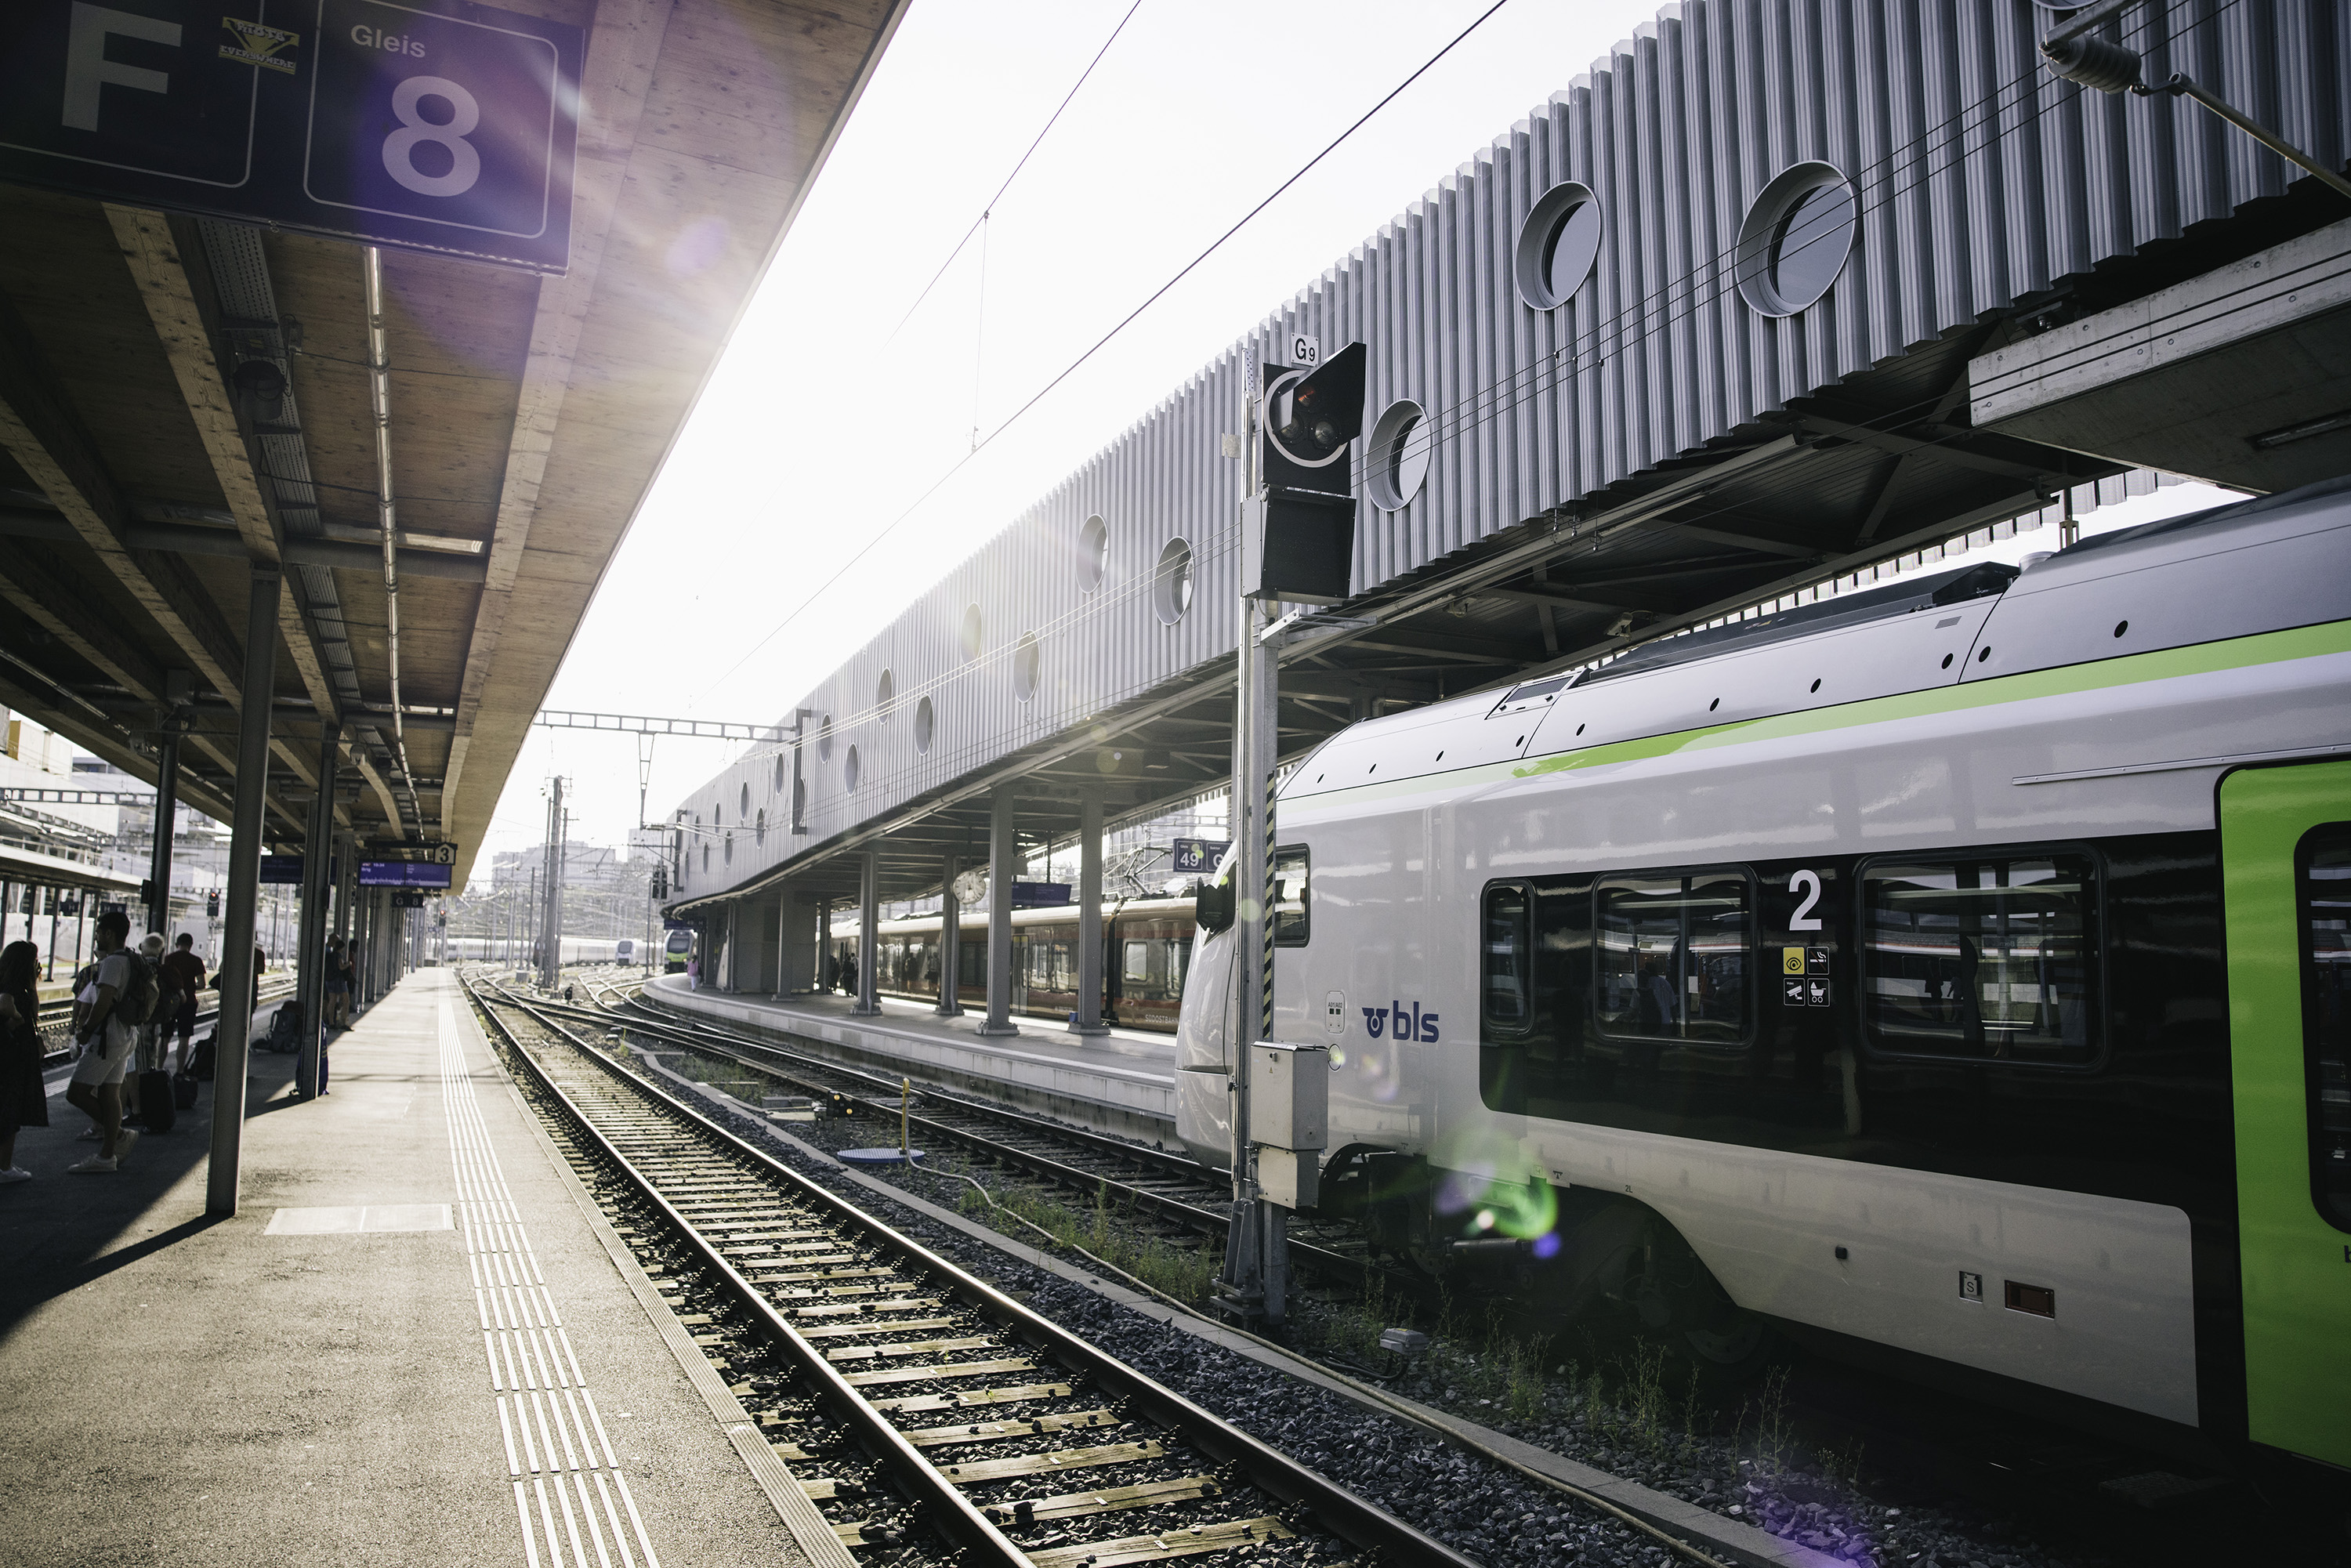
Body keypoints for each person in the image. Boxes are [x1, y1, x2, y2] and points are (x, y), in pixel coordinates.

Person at [66, 910, 140, 1173]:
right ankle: (107, 1156)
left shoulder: (110, 963)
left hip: (106, 1039)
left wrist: (86, 1030)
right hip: (126, 1036)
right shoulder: (131, 959)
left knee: (75, 1093)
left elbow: (104, 1001)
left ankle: (118, 1135)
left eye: (98, 932)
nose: (96, 937)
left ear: (109, 934)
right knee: (109, 1093)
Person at [0, 940, 46, 1182]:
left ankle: (5, 1166)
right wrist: (16, 1017)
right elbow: (7, 1005)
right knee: (10, 1110)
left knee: (7, 1109)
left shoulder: (13, 982)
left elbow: (35, 1012)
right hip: (13, 1056)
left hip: (11, 1053)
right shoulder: (12, 985)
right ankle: (4, 1168)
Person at [122, 933, 166, 1128]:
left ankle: (136, 1108)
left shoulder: (136, 967)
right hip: (155, 1023)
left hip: (137, 1023)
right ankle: (150, 1104)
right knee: (150, 1062)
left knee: (133, 1067)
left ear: (142, 947)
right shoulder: (164, 970)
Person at [159, 932, 205, 1074]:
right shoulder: (196, 960)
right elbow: (202, 984)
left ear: (176, 944)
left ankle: (159, 1068)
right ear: (190, 946)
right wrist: (189, 987)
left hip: (169, 1002)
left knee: (164, 1038)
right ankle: (179, 1071)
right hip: (189, 1002)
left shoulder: (168, 959)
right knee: (184, 1038)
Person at [323, 936, 350, 1030]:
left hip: (329, 980)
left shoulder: (329, 954)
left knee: (332, 1001)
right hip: (338, 980)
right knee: (346, 1000)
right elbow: (341, 967)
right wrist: (348, 965)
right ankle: (343, 1022)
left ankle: (331, 1022)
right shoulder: (338, 955)